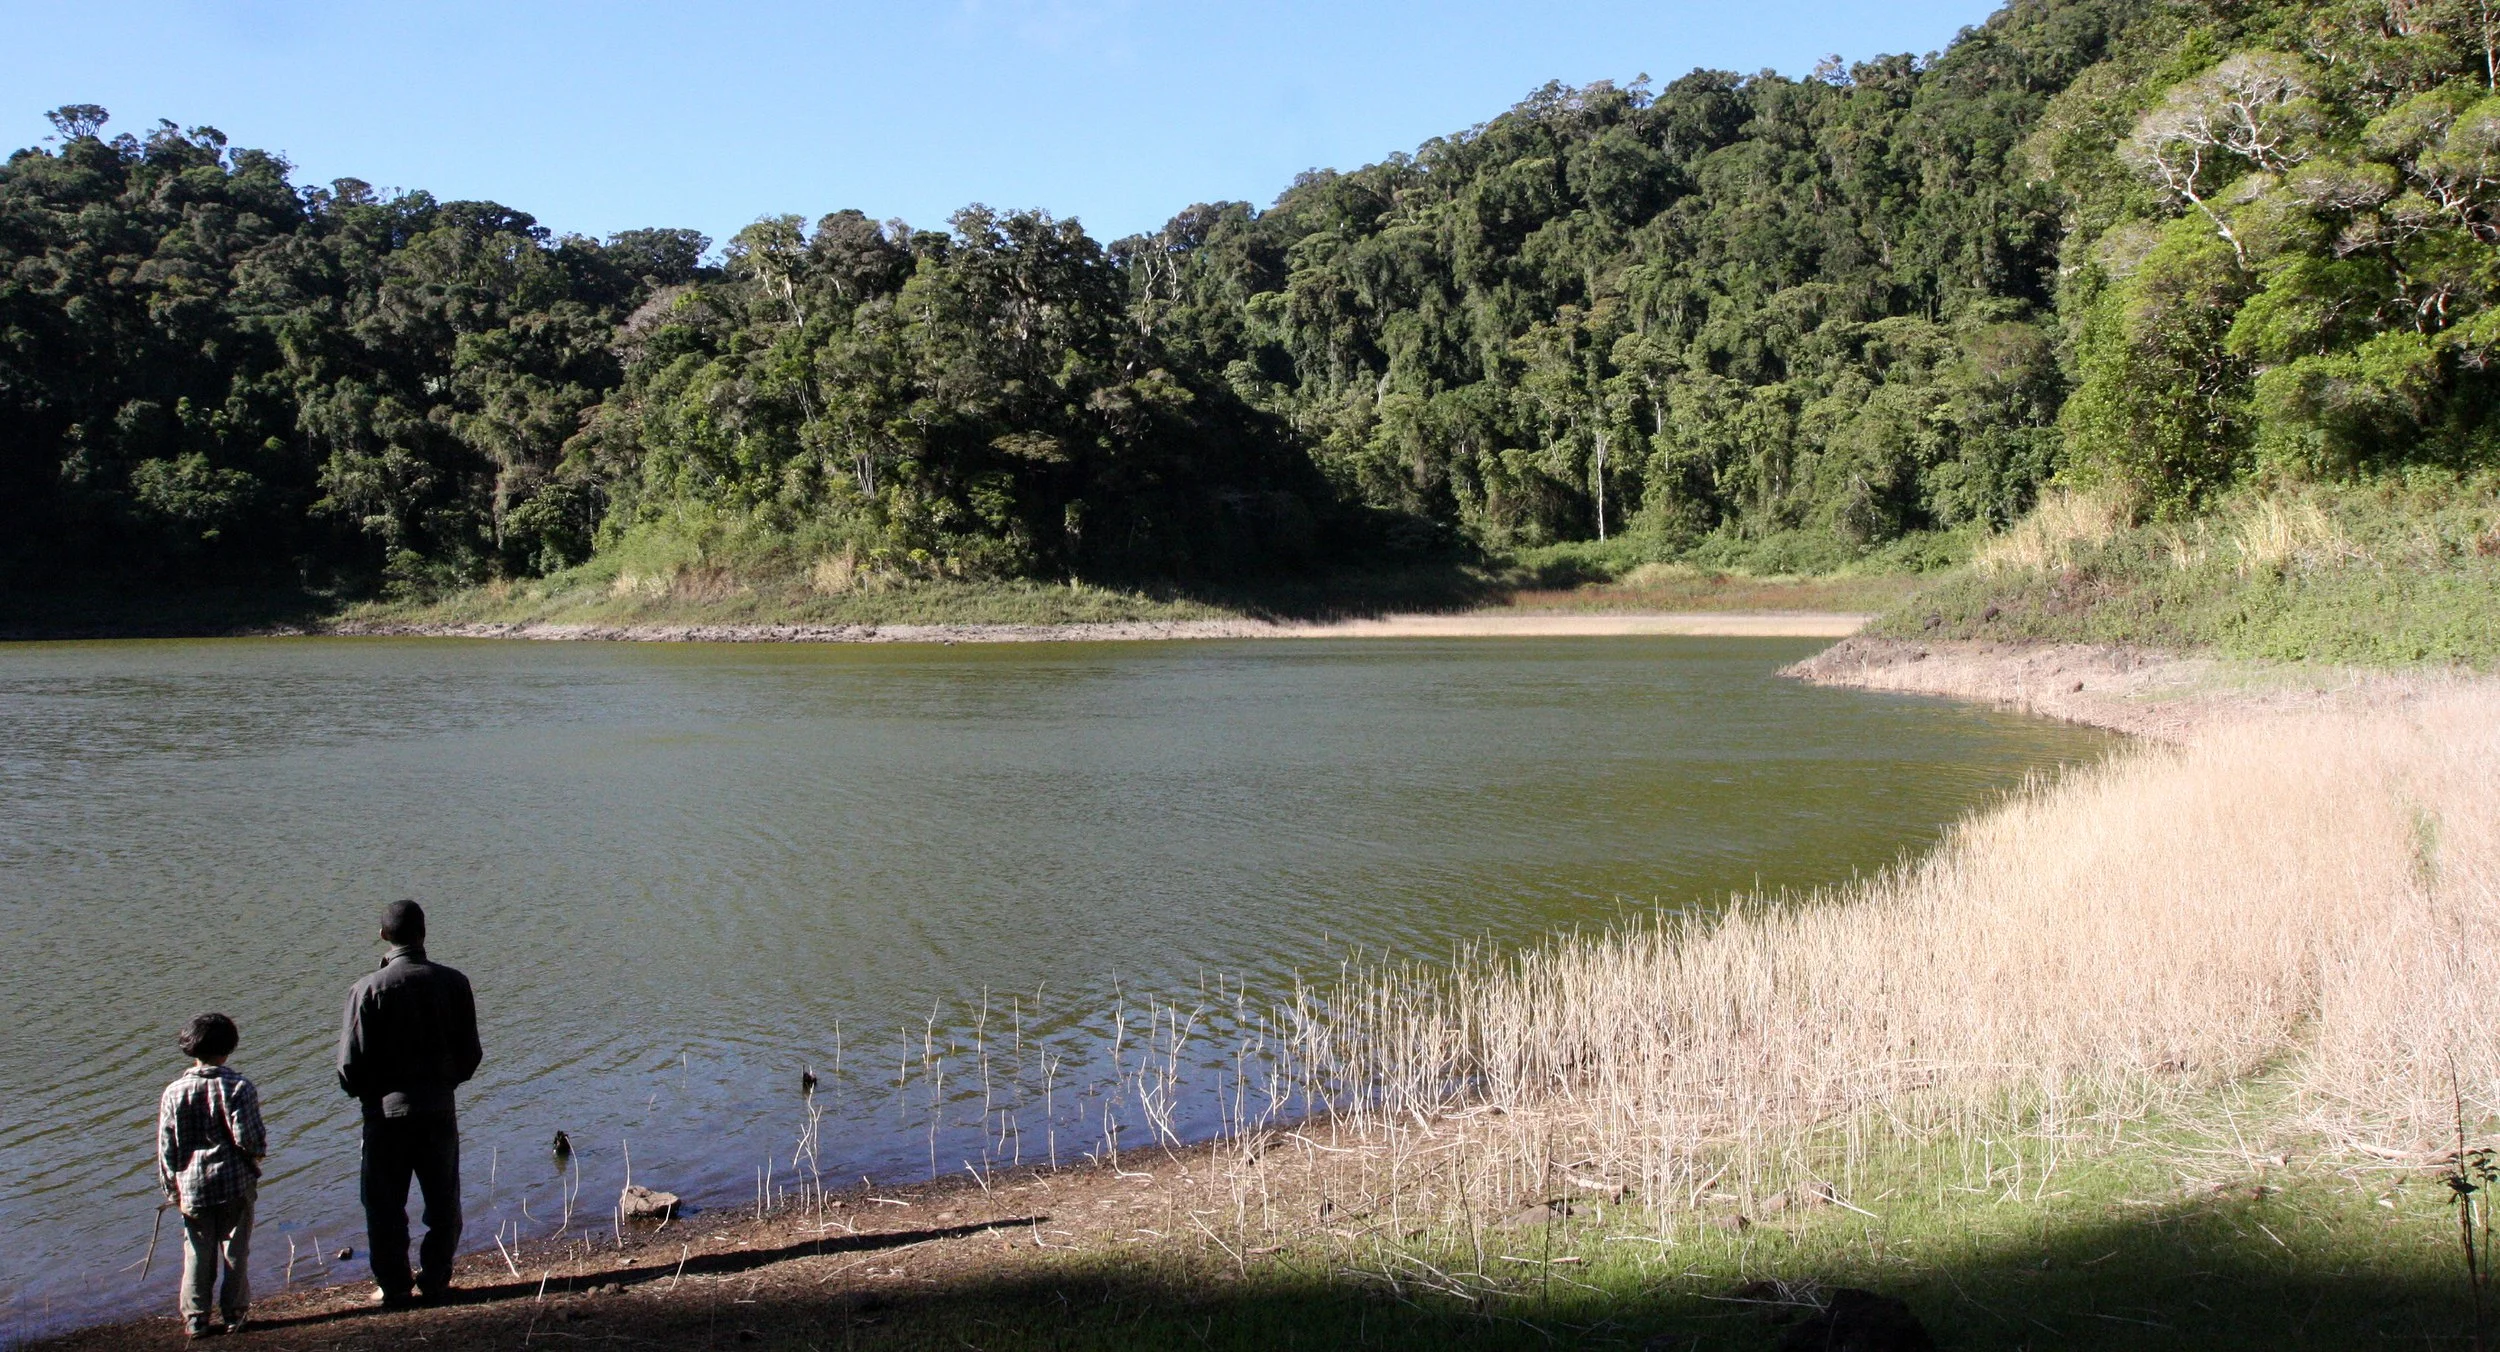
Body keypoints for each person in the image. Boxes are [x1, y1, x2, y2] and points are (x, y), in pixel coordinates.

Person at [336, 900, 481, 1308]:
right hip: (437, 1108)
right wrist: (444, 1083)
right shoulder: (454, 983)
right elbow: (470, 1054)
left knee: (383, 1205)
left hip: (385, 1116)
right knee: (442, 1201)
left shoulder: (366, 989)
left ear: (383, 936)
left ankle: (395, 1285)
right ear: (424, 932)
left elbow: (349, 1065)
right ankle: (435, 1279)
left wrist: (370, 1097)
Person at [157, 1012, 265, 1339]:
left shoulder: (174, 1092)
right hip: (234, 1182)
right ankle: (234, 1314)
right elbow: (251, 1139)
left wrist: (171, 1190)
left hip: (192, 1186)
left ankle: (196, 1319)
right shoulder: (239, 1086)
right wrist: (255, 1159)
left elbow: (167, 1148)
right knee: (235, 1250)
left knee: (197, 1253)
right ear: (229, 1047)